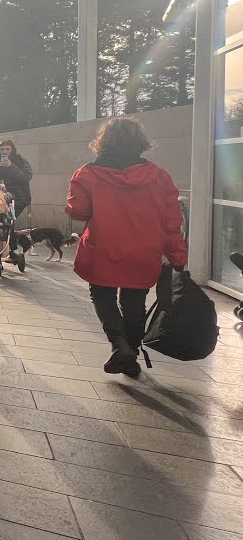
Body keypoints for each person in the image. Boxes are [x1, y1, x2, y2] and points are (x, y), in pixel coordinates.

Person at [66, 117, 186, 378]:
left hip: (102, 248)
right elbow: (172, 220)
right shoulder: (159, 176)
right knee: (134, 303)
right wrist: (178, 257)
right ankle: (130, 352)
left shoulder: (87, 174)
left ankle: (119, 345)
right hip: (144, 252)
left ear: (103, 142)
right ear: (140, 143)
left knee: (102, 296)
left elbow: (79, 211)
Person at [0, 139, 33, 218]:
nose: (5, 152)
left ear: (12, 150)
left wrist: (12, 167)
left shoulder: (21, 161)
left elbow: (26, 178)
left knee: (9, 218)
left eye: (7, 149)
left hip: (19, 197)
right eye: (2, 149)